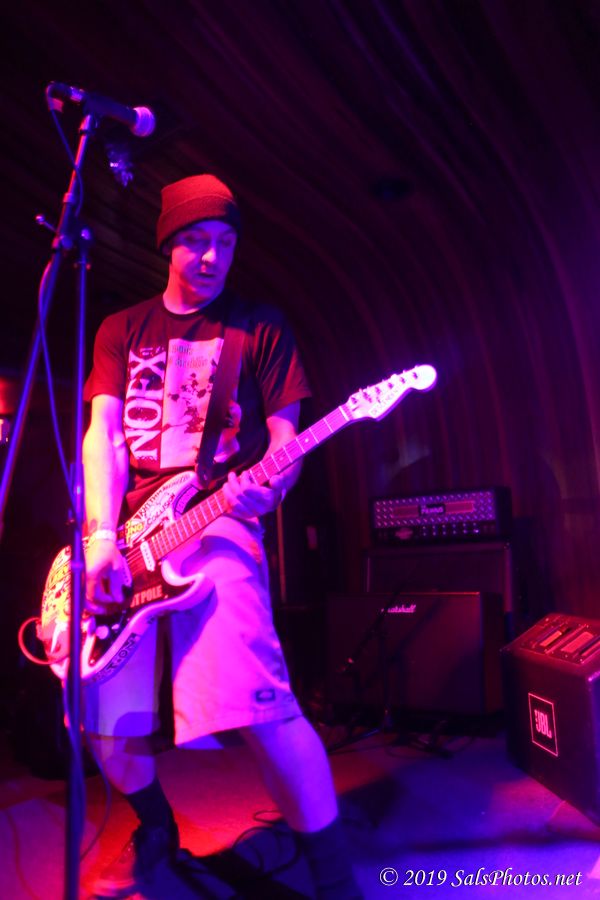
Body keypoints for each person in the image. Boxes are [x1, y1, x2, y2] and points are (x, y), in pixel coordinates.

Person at [82, 174, 362, 898]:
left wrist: (275, 482)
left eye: (226, 243)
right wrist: (102, 537)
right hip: (131, 537)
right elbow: (104, 436)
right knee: (108, 725)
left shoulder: (258, 327)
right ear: (167, 243)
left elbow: (285, 440)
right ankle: (157, 829)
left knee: (258, 704)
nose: (213, 256)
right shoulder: (120, 329)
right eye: (197, 241)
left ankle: (335, 881)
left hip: (218, 519)